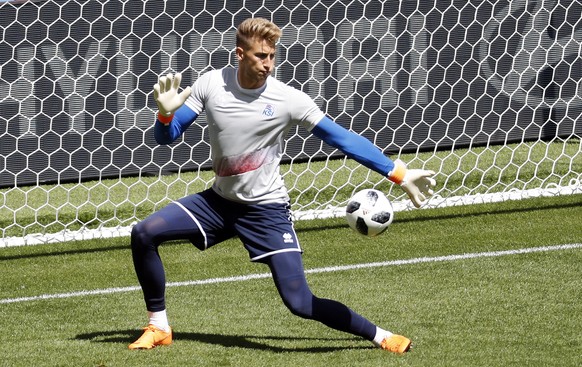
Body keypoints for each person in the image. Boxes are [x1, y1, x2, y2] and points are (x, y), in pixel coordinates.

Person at [128, 17, 435, 353]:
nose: (268, 64)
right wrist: (163, 115)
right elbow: (165, 138)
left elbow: (342, 139)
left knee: (300, 302)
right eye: (261, 56)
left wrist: (398, 173)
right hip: (219, 202)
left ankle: (382, 336)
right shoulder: (210, 84)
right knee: (145, 233)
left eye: (272, 55)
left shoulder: (287, 99)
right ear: (240, 54)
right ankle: (158, 325)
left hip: (266, 210)